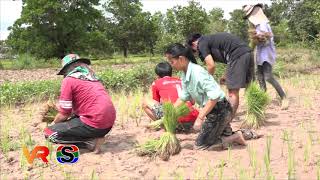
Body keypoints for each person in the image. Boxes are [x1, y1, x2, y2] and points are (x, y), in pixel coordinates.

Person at [165, 43, 246, 150]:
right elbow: (184, 97)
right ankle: (227, 134)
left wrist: (200, 118)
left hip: (220, 111)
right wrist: (170, 112)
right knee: (214, 136)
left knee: (200, 146)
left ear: (181, 59)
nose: (171, 65)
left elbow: (215, 96)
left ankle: (235, 137)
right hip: (212, 111)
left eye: (172, 62)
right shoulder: (184, 74)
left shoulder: (197, 72)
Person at [44, 54, 116, 153]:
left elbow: (65, 113)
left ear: (67, 69)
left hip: (95, 123)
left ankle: (89, 142)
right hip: (107, 124)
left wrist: (53, 123)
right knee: (72, 121)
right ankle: (96, 137)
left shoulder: (69, 80)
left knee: (49, 133)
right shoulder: (93, 78)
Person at [186, 33, 255, 119]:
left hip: (237, 55)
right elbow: (230, 57)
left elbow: (211, 65)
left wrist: (206, 82)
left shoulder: (201, 43)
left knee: (232, 92)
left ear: (193, 44)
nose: (197, 53)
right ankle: (254, 114)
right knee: (250, 87)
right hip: (248, 52)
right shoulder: (210, 39)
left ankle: (227, 119)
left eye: (195, 51)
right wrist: (225, 75)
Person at [243, 4, 288, 110]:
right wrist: (254, 41)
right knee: (260, 78)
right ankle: (263, 99)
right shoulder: (257, 27)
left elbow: (267, 40)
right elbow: (256, 42)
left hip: (267, 54)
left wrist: (260, 38)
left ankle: (284, 97)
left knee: (268, 77)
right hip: (260, 54)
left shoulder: (263, 24)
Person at [142, 62, 199, 132]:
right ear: (171, 73)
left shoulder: (156, 83)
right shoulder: (181, 81)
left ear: (157, 75)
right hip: (193, 119)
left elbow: (156, 103)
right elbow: (193, 102)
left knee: (145, 102)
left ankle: (164, 125)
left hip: (174, 121)